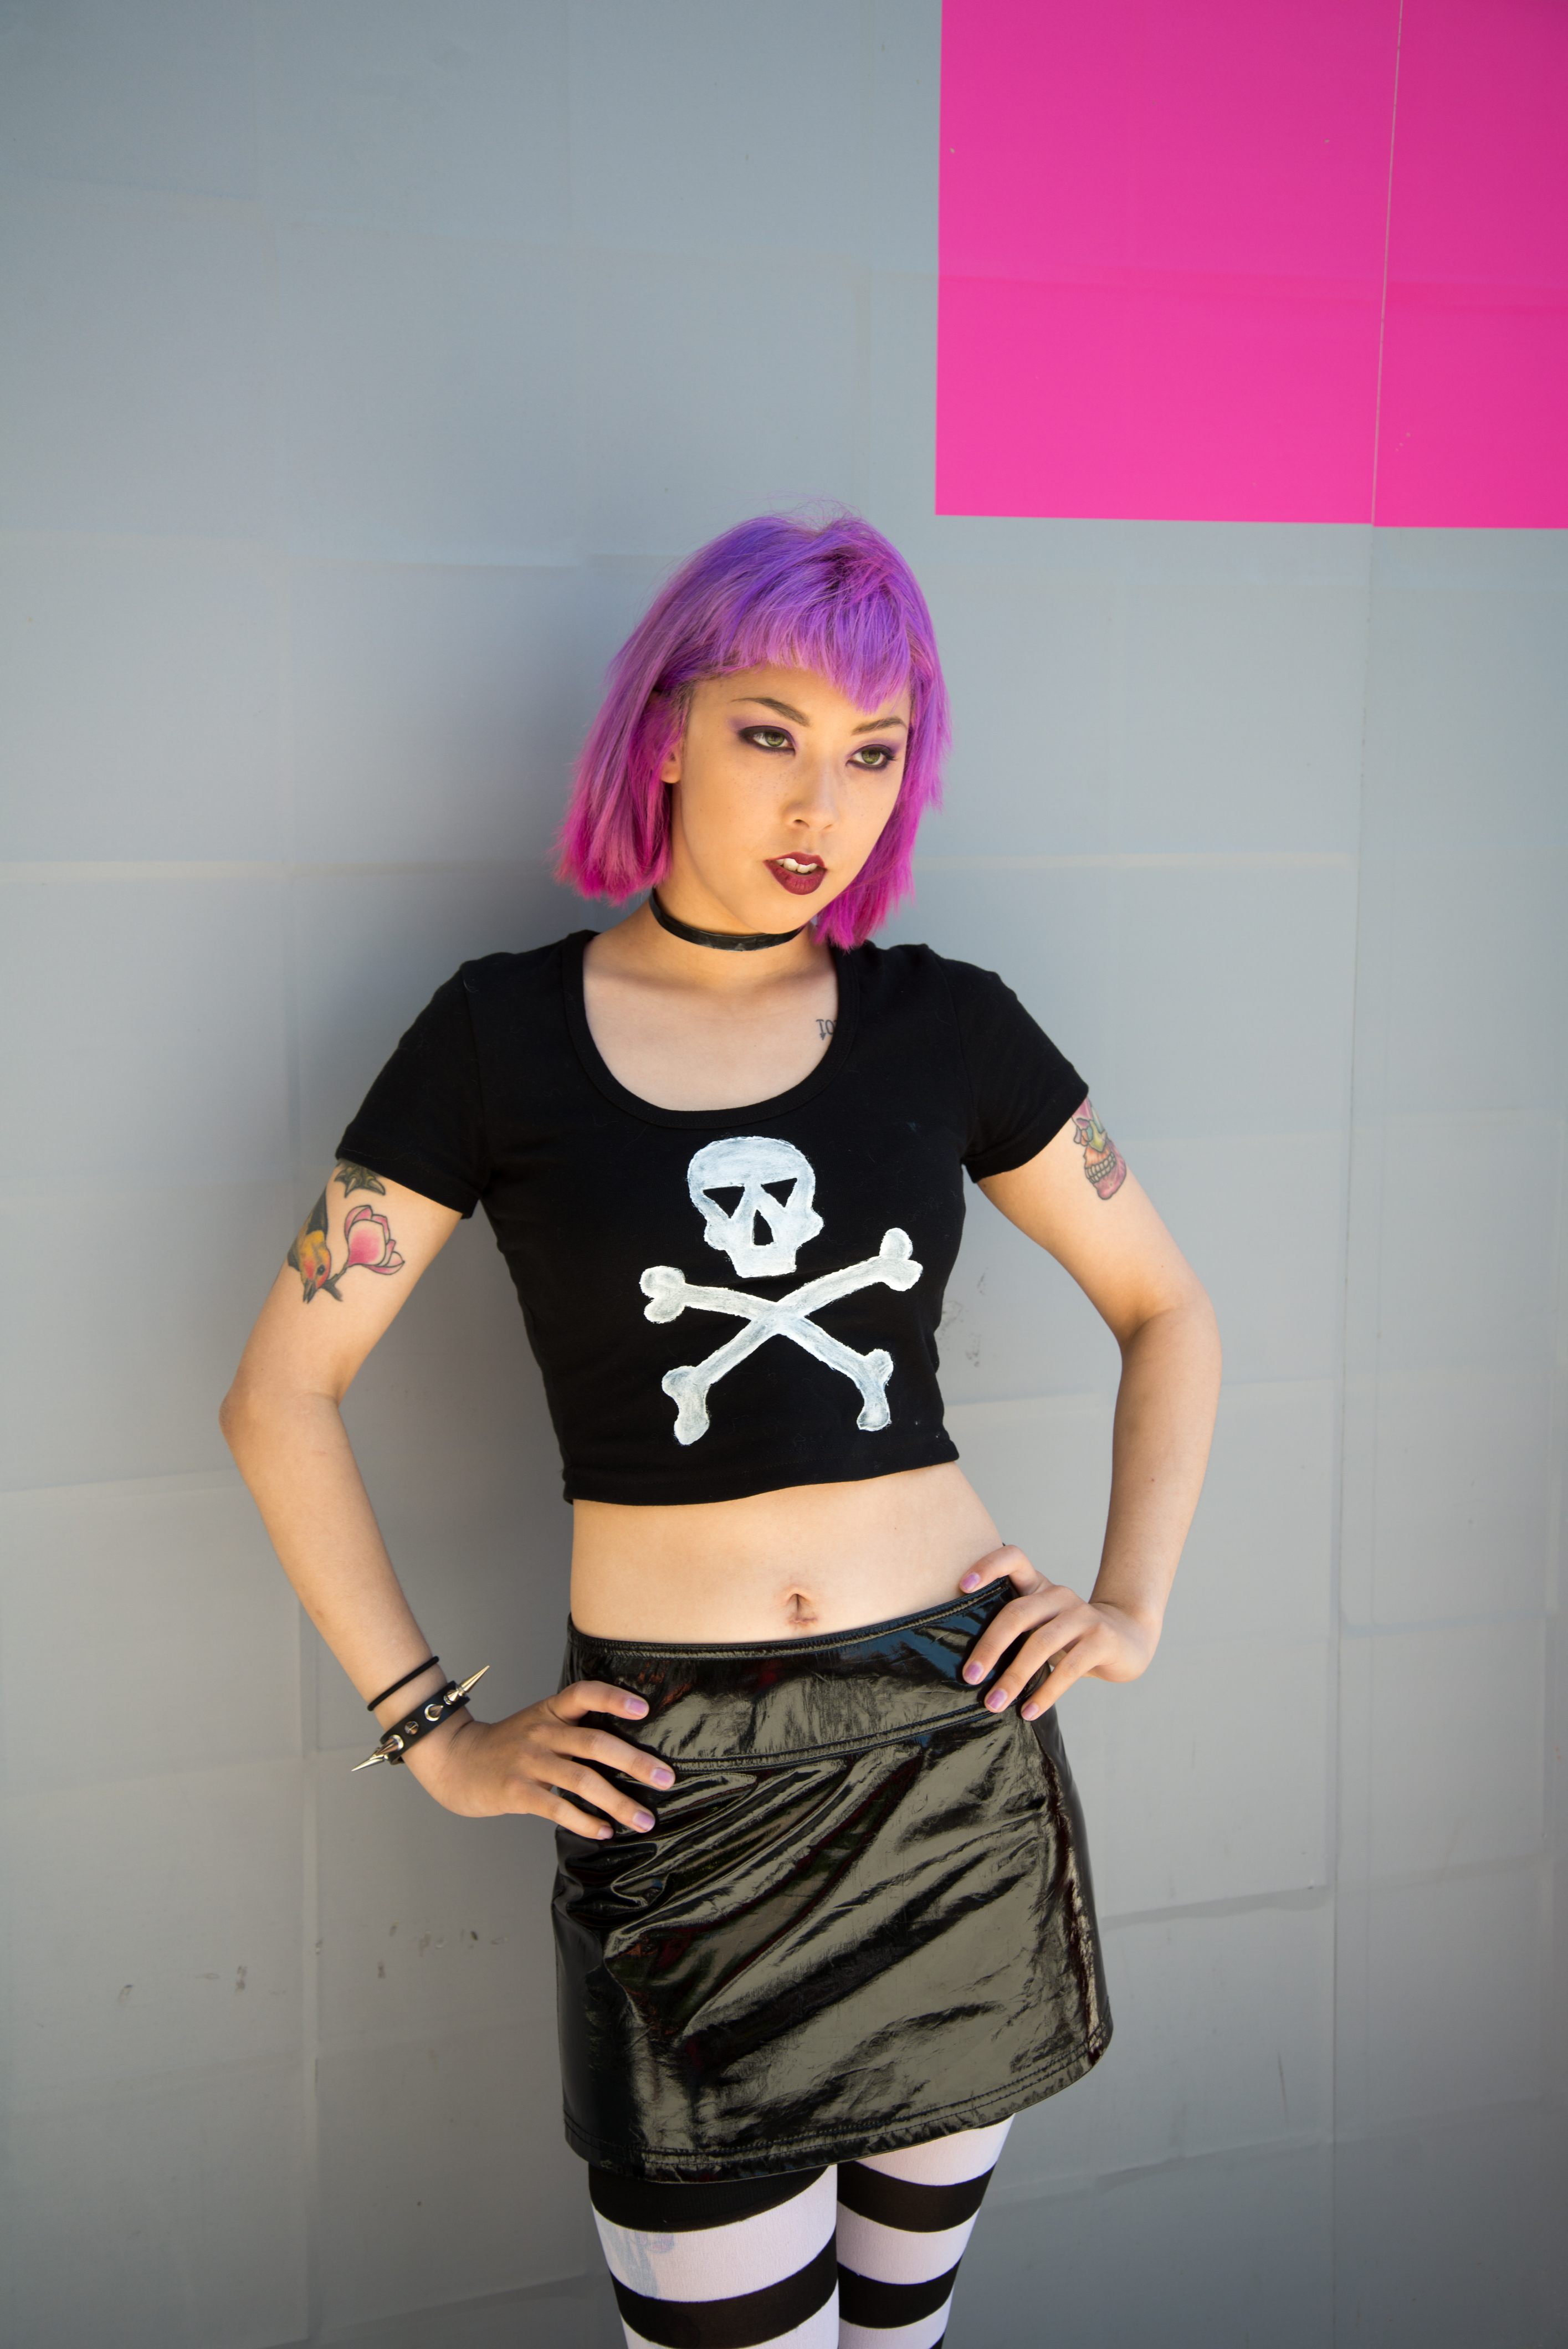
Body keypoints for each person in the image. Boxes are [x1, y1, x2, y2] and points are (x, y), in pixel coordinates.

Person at [221, 511, 1221, 2348]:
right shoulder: (498, 1038)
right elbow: (278, 1393)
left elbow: (1170, 1310)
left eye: (874, 751)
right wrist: (436, 1734)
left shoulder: (951, 1027)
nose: (823, 801)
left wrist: (1131, 1605)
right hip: (672, 1794)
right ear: (667, 730)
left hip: (950, 1762)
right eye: (773, 732)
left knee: (901, 2336)